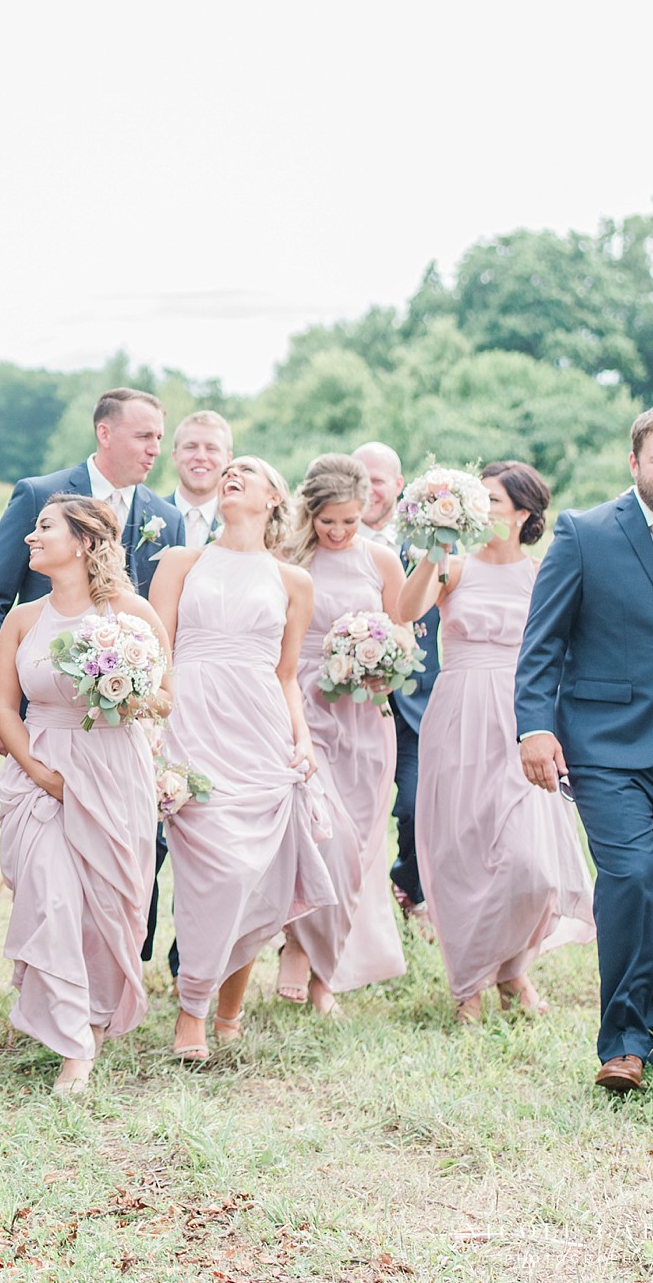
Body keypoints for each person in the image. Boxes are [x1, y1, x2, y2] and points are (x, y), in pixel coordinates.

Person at [517, 405, 653, 1093]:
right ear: (635, 463)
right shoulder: (584, 532)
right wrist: (534, 726)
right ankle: (621, 1042)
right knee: (630, 877)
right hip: (606, 745)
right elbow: (543, 643)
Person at [0, 389, 185, 969]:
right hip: (46, 704)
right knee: (47, 872)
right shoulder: (40, 496)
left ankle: (118, 964)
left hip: (126, 728)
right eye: (144, 436)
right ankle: (62, 974)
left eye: (159, 437)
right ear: (105, 434)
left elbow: (169, 623)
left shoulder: (166, 518)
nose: (155, 449)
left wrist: (141, 695)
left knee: (137, 850)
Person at [148, 456, 336, 1060]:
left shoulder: (293, 581)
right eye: (228, 469)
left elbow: (286, 677)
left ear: (275, 498)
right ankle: (192, 1009)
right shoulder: (182, 561)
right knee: (213, 875)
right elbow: (159, 655)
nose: (231, 473)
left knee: (252, 874)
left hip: (260, 731)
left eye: (247, 471)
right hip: (193, 727)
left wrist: (302, 739)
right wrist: (156, 730)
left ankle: (225, 1010)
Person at [400, 461, 594, 1024]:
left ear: (524, 514)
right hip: (458, 714)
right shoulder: (452, 567)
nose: (482, 510)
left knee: (530, 865)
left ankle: (509, 968)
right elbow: (404, 612)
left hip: (522, 720)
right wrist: (434, 550)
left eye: (494, 501)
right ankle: (471, 984)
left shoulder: (541, 575)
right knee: (462, 851)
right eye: (477, 499)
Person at [0, 495, 165, 1093]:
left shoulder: (130, 612)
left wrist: (123, 690)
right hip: (42, 769)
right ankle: (73, 1041)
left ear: (85, 542)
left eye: (44, 529)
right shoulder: (21, 620)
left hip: (114, 767)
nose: (30, 539)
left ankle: (88, 1011)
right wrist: (40, 773)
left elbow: (164, 698)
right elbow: (7, 710)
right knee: (51, 896)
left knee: (107, 906)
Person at [276, 455, 406, 1015]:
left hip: (364, 714)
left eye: (349, 521)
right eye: (328, 521)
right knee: (322, 837)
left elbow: (402, 632)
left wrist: (380, 661)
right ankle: (300, 947)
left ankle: (324, 973)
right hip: (301, 708)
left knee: (357, 850)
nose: (337, 532)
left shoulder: (380, 558)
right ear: (311, 513)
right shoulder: (286, 556)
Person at [355, 440, 439, 925]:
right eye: (359, 478)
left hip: (412, 705)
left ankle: (409, 885)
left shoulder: (425, 544)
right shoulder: (323, 544)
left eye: (378, 479)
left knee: (414, 805)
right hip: (346, 703)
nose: (369, 489)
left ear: (399, 486)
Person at [167, 411, 231, 550]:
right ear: (175, 455)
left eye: (211, 448)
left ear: (228, 459)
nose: (201, 456)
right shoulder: (146, 516)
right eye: (190, 447)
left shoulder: (238, 524)